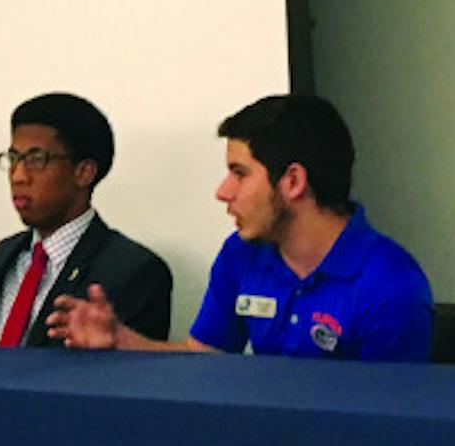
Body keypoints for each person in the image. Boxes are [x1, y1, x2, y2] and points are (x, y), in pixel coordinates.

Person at [47, 93, 433, 360]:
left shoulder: (389, 283)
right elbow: (206, 357)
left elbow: (392, 424)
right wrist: (121, 341)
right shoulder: (241, 254)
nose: (223, 191)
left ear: (293, 182)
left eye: (239, 173)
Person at [0, 92, 171, 347]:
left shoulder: (135, 271)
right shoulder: (3, 255)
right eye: (14, 159)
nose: (18, 176)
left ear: (84, 172)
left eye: (36, 160)